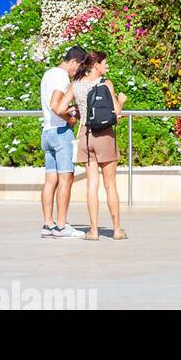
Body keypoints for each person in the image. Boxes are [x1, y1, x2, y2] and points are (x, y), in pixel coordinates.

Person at [71, 51, 128, 241]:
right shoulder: (105, 84)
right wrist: (121, 101)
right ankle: (117, 229)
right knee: (110, 185)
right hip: (104, 135)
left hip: (85, 136)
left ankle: (93, 230)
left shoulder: (76, 85)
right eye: (105, 63)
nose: (107, 67)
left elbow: (60, 106)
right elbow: (117, 113)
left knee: (91, 185)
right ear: (96, 65)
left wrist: (74, 113)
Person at [39, 45, 87, 239]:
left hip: (47, 131)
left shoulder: (48, 74)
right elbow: (56, 105)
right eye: (79, 67)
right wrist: (71, 117)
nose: (78, 72)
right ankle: (61, 225)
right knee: (66, 178)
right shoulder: (61, 77)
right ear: (73, 61)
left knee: (50, 180)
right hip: (60, 132)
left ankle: (48, 224)